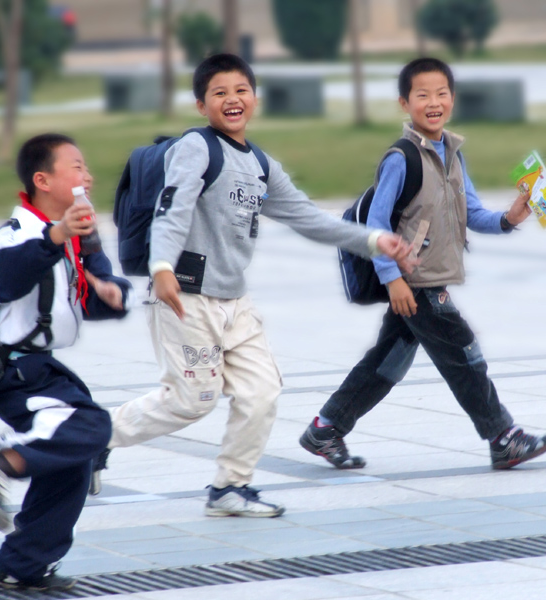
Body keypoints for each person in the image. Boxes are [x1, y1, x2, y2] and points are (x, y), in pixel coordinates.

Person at [95, 53, 414, 518]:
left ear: (255, 98)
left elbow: (308, 218)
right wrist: (161, 264)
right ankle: (94, 438)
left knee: (262, 391)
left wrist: (372, 240)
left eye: (240, 90)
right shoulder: (197, 148)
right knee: (192, 401)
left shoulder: (262, 164)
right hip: (185, 295)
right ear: (201, 104)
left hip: (234, 302)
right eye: (219, 93)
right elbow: (172, 208)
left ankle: (230, 487)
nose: (232, 100)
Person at [299, 57, 546, 471]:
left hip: (427, 277)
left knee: (388, 361)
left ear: (452, 99)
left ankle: (325, 428)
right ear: (406, 103)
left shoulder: (453, 154)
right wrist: (393, 280)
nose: (433, 102)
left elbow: (470, 212)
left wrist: (509, 219)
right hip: (415, 281)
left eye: (441, 93)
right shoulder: (400, 158)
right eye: (422, 95)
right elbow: (376, 222)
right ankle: (502, 436)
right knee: (464, 352)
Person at [0, 133, 132, 591]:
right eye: (76, 166)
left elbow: (97, 286)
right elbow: (9, 274)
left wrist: (113, 294)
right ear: (43, 180)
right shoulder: (19, 230)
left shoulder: (78, 230)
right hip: (14, 370)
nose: (87, 176)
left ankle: (23, 566)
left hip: (44, 367)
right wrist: (57, 235)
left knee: (71, 464)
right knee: (93, 425)